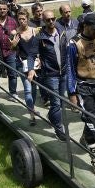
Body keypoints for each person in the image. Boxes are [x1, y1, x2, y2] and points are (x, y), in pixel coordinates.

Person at [66, 12, 95, 178]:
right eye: (93, 28)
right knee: (93, 124)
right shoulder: (74, 44)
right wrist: (72, 93)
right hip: (83, 87)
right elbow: (70, 70)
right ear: (85, 26)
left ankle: (86, 137)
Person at [32, 9, 67, 140]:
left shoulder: (61, 32)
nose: (51, 22)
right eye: (48, 20)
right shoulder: (40, 37)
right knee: (57, 103)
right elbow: (32, 54)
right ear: (43, 21)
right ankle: (59, 130)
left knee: (61, 102)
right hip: (51, 74)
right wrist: (31, 69)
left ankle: (52, 115)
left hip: (63, 72)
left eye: (53, 19)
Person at [12, 8, 40, 126]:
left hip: (34, 64)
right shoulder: (15, 33)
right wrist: (13, 45)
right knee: (27, 89)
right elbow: (13, 49)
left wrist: (39, 58)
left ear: (27, 19)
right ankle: (32, 115)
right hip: (21, 63)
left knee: (33, 89)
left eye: (24, 19)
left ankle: (31, 107)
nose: (22, 21)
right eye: (19, 19)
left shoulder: (35, 31)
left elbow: (39, 47)